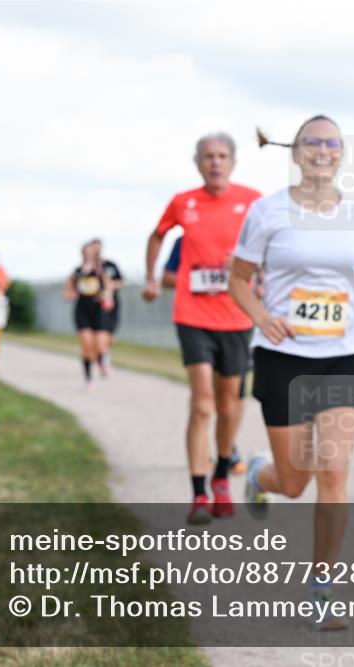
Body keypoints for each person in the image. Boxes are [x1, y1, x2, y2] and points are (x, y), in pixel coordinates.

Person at [230, 115, 354, 630]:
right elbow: (239, 279)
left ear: (342, 154)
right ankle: (260, 477)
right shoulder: (267, 213)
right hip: (281, 356)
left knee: (333, 472)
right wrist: (262, 316)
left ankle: (322, 587)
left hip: (342, 355)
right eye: (313, 142)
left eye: (332, 143)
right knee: (294, 481)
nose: (323, 151)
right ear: (296, 152)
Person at [143, 133, 261, 524]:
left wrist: (253, 271)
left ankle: (222, 476)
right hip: (192, 315)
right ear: (198, 163)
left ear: (233, 162)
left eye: (222, 156)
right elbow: (157, 235)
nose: (215, 162)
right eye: (208, 156)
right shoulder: (183, 202)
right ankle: (198, 493)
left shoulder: (252, 201)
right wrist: (151, 276)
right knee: (204, 403)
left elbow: (272, 244)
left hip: (237, 315)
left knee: (230, 405)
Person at [162, 236, 248, 475]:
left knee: (232, 397)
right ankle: (204, 458)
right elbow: (166, 277)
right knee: (204, 398)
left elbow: (264, 276)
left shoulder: (246, 239)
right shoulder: (187, 240)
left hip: (237, 322)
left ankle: (228, 447)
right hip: (198, 322)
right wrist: (201, 276)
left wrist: (239, 272)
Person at [64, 242, 115, 388]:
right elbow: (67, 291)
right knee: (87, 345)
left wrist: (107, 295)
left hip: (98, 310)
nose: (88, 255)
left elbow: (109, 286)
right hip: (82, 310)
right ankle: (88, 378)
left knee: (100, 344)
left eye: (90, 252)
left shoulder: (100, 272)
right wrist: (71, 294)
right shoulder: (77, 272)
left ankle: (101, 359)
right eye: (85, 252)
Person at [89, 239, 124, 375]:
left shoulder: (110, 265)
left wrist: (111, 286)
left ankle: (102, 355)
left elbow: (121, 282)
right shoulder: (88, 268)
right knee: (100, 336)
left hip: (113, 304)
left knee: (110, 337)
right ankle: (103, 359)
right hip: (98, 307)